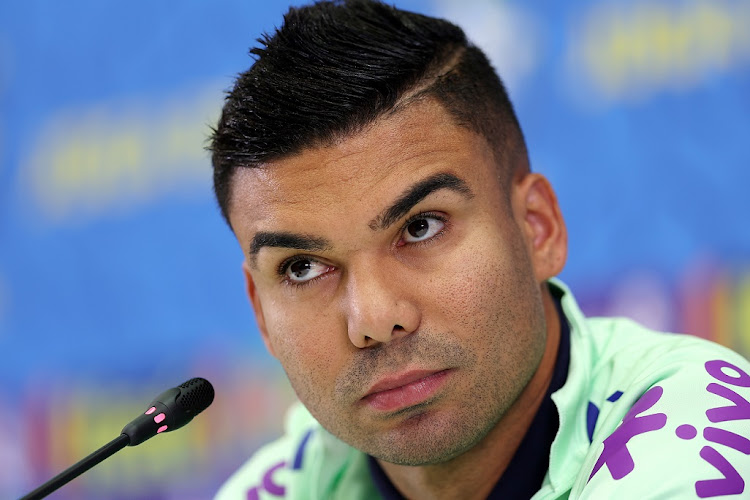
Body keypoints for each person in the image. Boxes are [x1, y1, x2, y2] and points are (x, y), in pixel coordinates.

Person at [210, 1, 750, 498]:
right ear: (260, 310)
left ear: (537, 229)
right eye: (303, 268)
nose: (373, 320)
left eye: (420, 227)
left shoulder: (697, 441)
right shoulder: (277, 488)